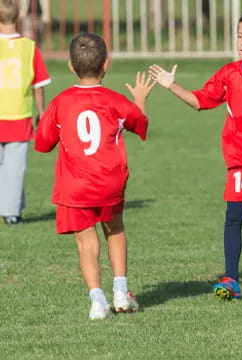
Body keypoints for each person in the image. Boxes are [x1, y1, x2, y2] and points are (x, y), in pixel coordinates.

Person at [149, 10, 242, 301]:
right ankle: (231, 278)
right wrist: (172, 86)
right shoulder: (228, 74)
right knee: (234, 215)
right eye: (239, 36)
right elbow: (200, 101)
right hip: (238, 157)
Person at [35, 32, 156, 319]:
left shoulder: (61, 102)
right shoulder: (115, 101)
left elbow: (42, 144)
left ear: (70, 65)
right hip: (110, 181)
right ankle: (121, 292)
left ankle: (97, 301)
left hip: (75, 185)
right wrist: (139, 100)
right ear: (106, 64)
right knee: (115, 228)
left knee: (86, 241)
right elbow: (140, 124)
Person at [0, 0, 50, 225]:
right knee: (15, 167)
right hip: (19, 115)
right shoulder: (29, 47)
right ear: (18, 15)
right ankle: (11, 212)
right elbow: (38, 85)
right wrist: (41, 111)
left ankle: (12, 207)